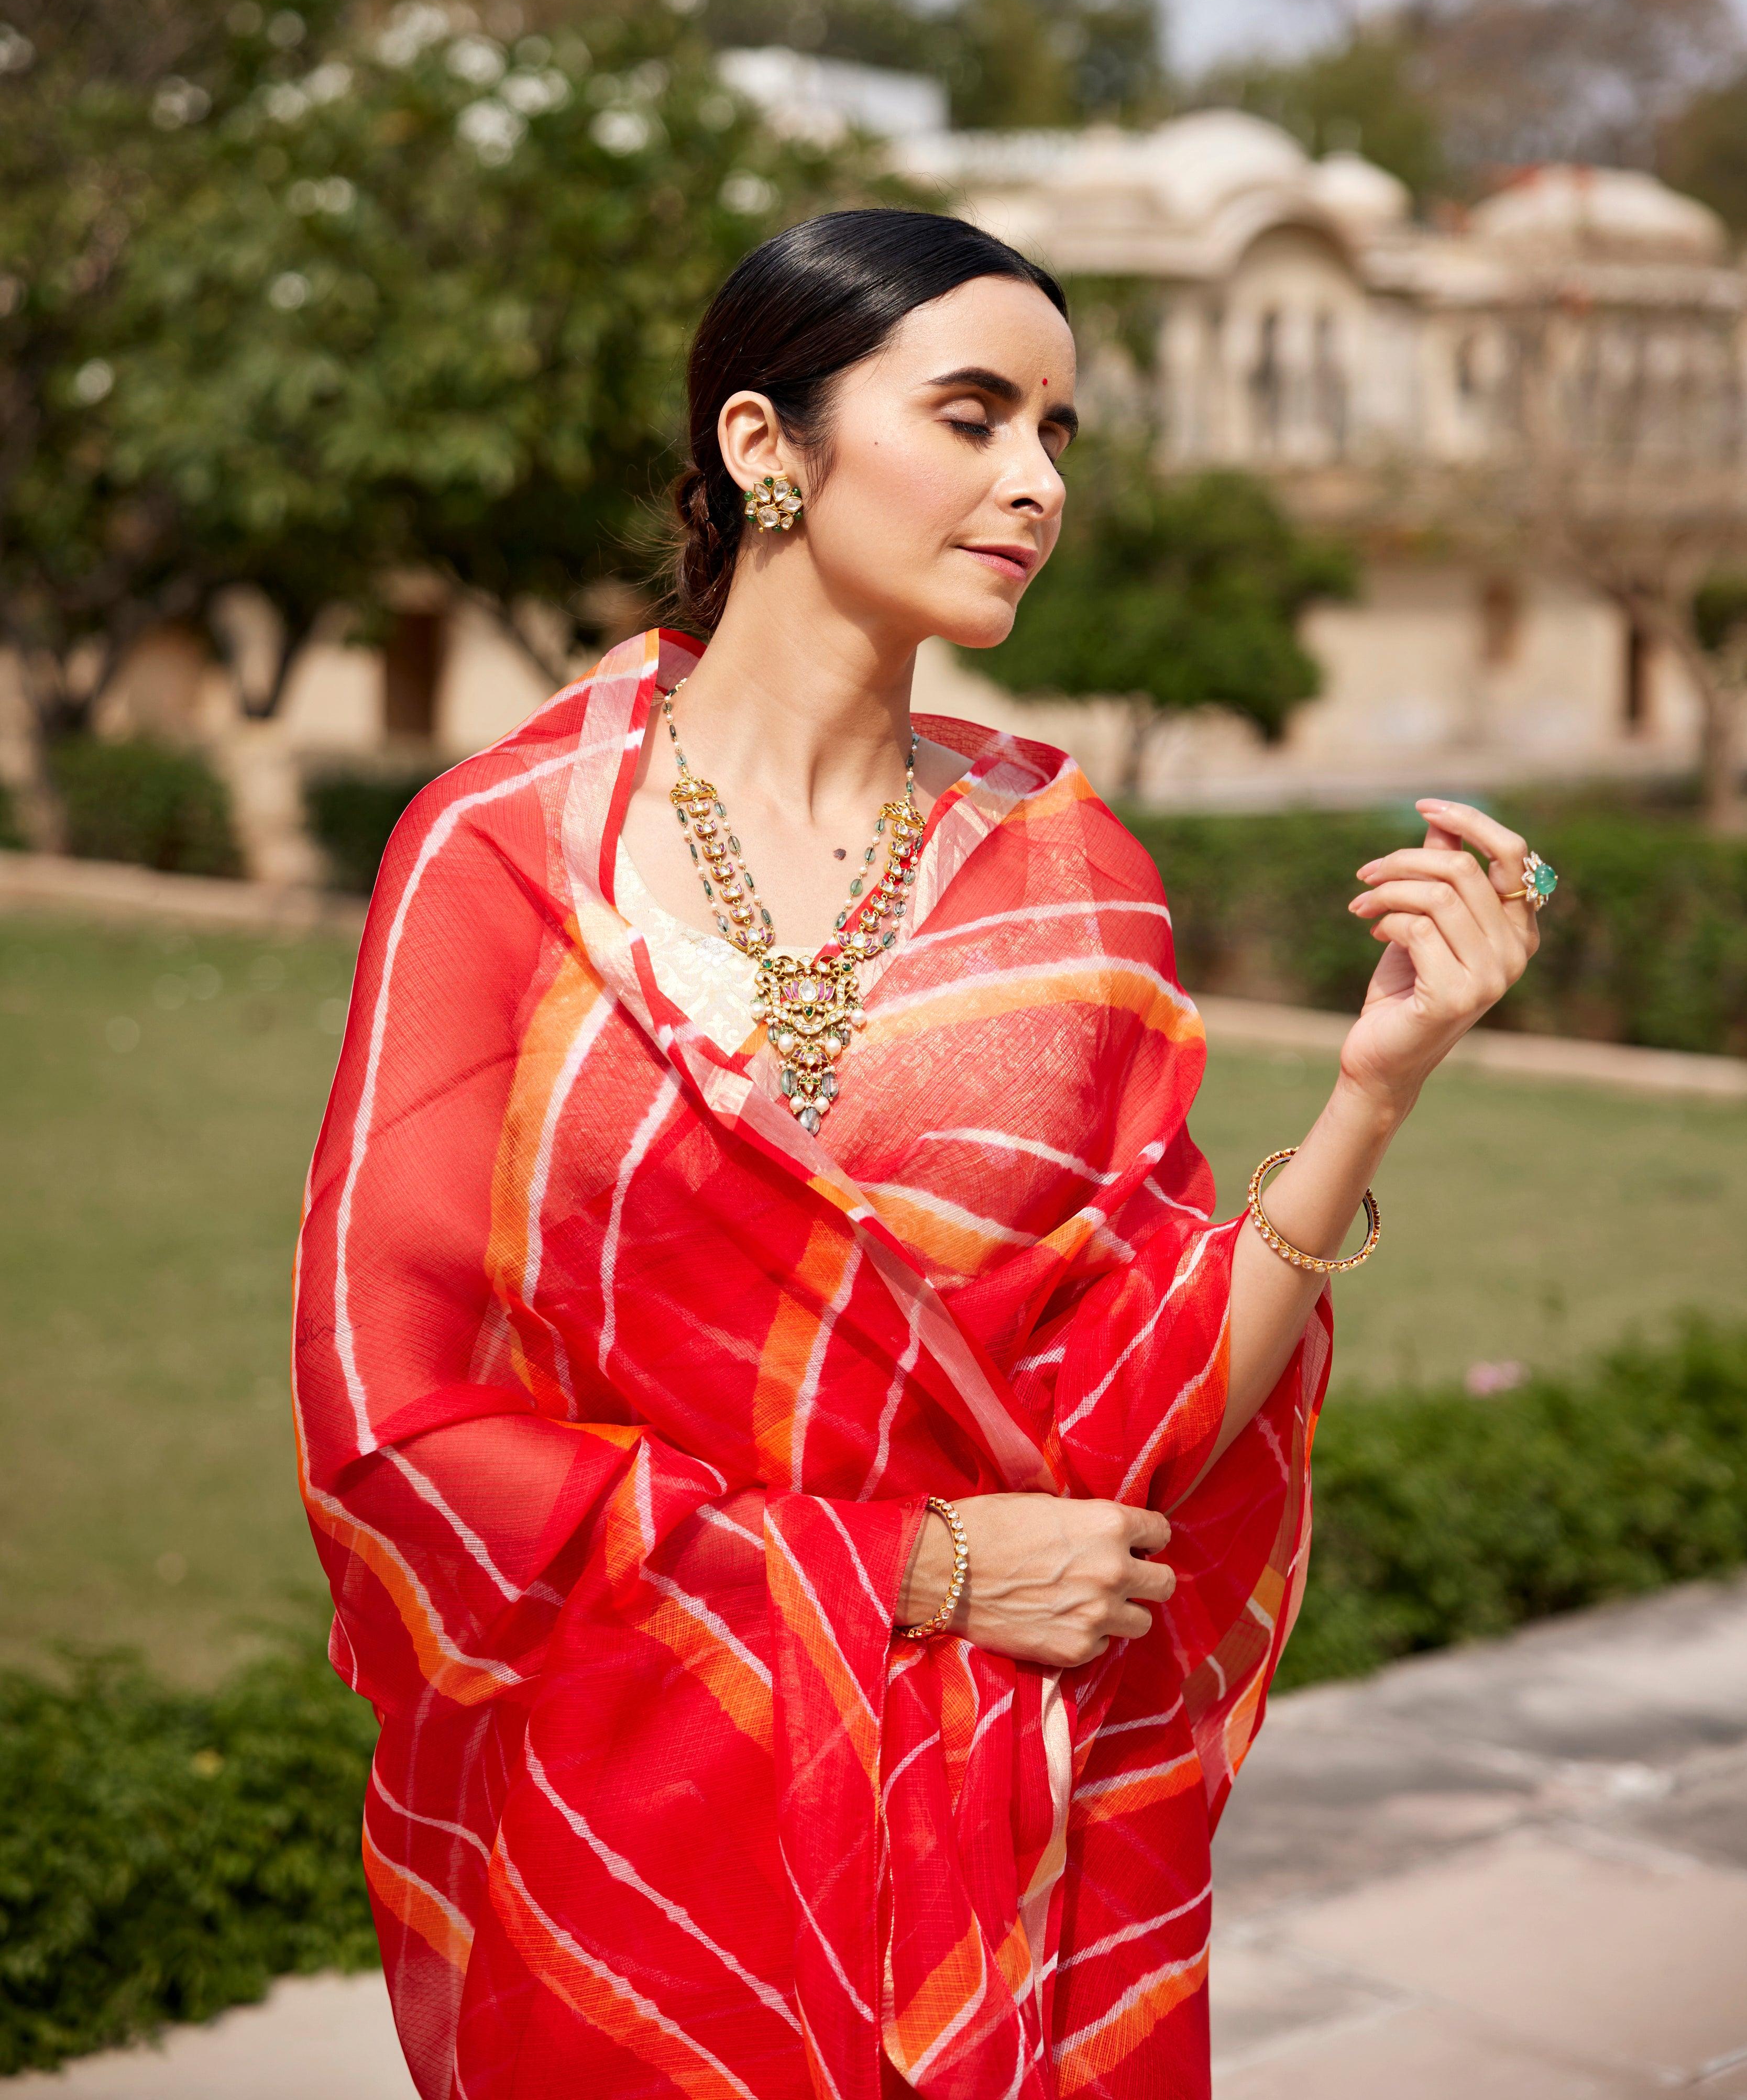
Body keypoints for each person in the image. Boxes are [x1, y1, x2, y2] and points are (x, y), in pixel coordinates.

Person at [293, 208, 1546, 2100]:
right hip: (641, 1827)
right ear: (762, 446)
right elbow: (395, 1420)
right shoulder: (505, 860)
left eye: (1057, 434)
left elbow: (1142, 1441)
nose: (1033, 483)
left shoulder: (1072, 882)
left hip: (1008, 1837)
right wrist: (917, 1570)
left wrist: (1380, 1085)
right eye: (972, 416)